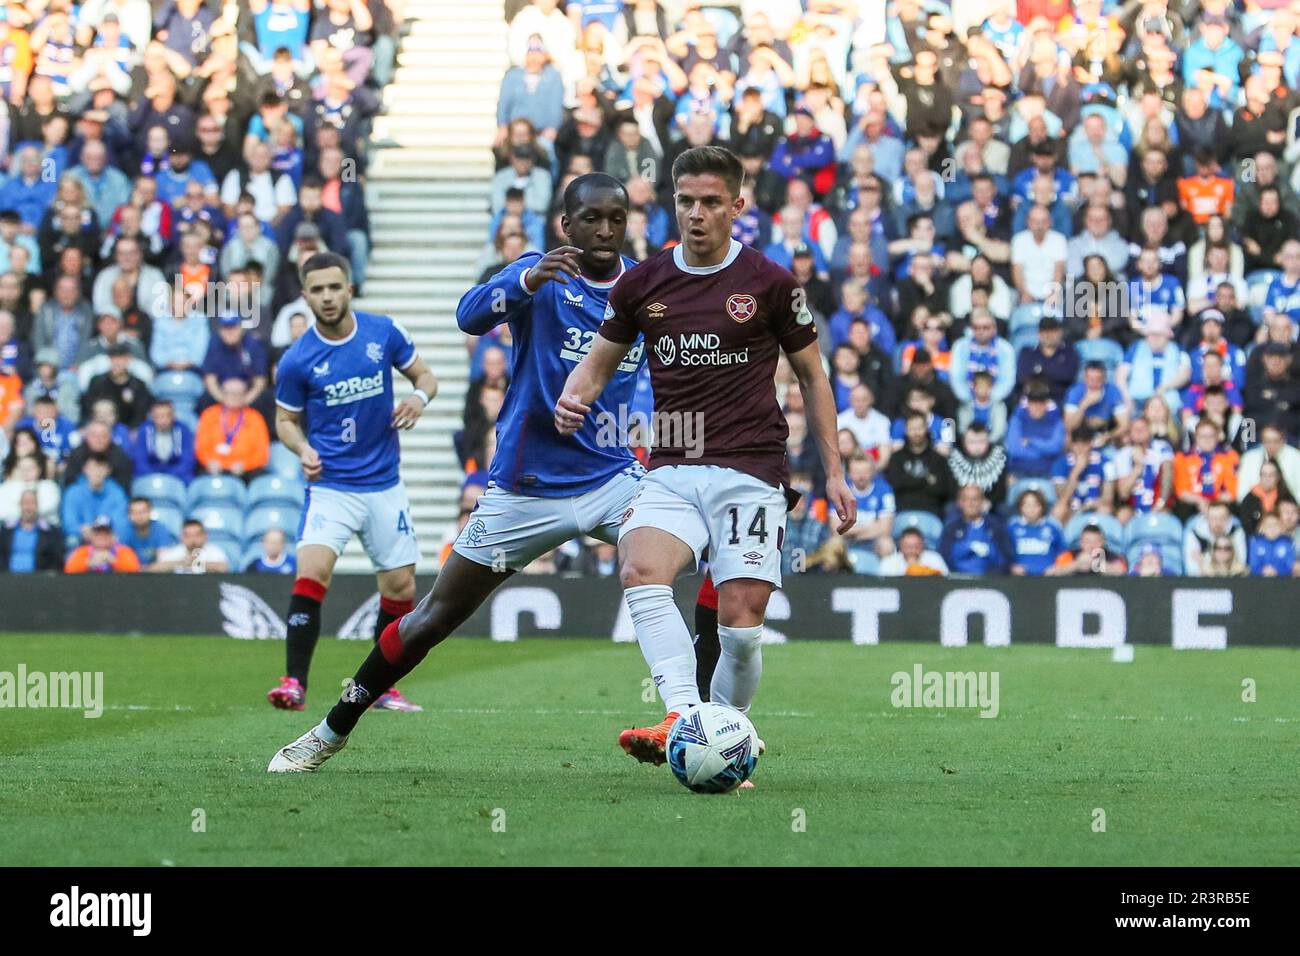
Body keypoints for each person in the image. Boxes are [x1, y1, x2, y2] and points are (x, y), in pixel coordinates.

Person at [267, 176, 685, 772]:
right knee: (431, 619)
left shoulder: (644, 287)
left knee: (694, 554)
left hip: (612, 479)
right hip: (524, 490)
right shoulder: (540, 274)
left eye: (616, 218)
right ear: (566, 226)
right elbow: (467, 316)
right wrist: (523, 280)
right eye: (590, 218)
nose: (605, 230)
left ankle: (695, 720)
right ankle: (330, 731)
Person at [555, 146, 854, 769]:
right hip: (672, 465)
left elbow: (813, 378)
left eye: (711, 202)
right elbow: (599, 362)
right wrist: (572, 397)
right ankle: (689, 720)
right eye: (686, 201)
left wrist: (834, 470)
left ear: (737, 207)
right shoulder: (643, 284)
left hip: (750, 471)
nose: (696, 214)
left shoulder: (771, 284)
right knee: (641, 572)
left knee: (741, 630)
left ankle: (728, 729)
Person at [263, 251, 439, 716]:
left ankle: (381, 686)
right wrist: (301, 449)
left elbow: (426, 375)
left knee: (401, 587)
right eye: (316, 290)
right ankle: (293, 683)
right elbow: (284, 420)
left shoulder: (382, 332)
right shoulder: (298, 359)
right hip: (332, 486)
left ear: (349, 288)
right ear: (305, 297)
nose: (326, 297)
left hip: (384, 484)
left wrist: (418, 398)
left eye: (333, 287)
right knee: (312, 572)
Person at [940, 484, 1013, 575]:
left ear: (982, 502)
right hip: (958, 580)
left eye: (975, 499)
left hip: (992, 581)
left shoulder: (997, 526)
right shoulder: (951, 527)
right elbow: (944, 558)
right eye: (966, 499)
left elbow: (1006, 558)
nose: (971, 503)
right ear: (959, 503)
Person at [0, 489, 63, 573]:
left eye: (32, 503)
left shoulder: (50, 532)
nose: (28, 507)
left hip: (38, 581)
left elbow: (56, 559)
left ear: (37, 506)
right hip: (8, 579)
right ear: (20, 505)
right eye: (25, 503)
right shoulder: (6, 531)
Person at [1007, 488, 1064, 576]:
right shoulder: (1011, 528)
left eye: (1035, 505)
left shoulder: (1053, 528)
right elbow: (1004, 555)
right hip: (1019, 581)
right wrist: (1011, 567)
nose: (1031, 509)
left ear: (1042, 507)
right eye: (1027, 505)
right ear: (1020, 507)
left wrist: (1057, 568)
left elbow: (1063, 553)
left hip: (1049, 580)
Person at [151, 519, 231, 574]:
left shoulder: (214, 552)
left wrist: (197, 564)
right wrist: (181, 563)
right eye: (188, 536)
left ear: (205, 536)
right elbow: (157, 569)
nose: (193, 539)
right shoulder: (174, 552)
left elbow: (223, 568)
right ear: (181, 537)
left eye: (197, 535)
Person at [64, 517, 141, 574]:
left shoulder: (123, 550)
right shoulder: (83, 551)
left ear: (113, 536)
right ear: (92, 536)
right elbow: (69, 569)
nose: (102, 537)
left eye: (106, 534)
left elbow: (134, 569)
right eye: (98, 534)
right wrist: (90, 562)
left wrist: (112, 560)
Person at [120, 496, 178, 569]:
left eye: (143, 512)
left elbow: (163, 562)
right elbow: (122, 561)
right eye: (134, 512)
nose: (139, 516)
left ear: (150, 512)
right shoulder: (124, 531)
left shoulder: (160, 529)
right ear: (129, 515)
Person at [878, 526, 947, 576]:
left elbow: (945, 580)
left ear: (922, 545)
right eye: (908, 547)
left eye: (916, 547)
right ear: (901, 546)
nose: (912, 551)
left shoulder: (934, 559)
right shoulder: (889, 562)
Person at [1248, 512, 1296, 577]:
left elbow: (1290, 565)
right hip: (1260, 580)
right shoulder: (1256, 542)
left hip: (1282, 580)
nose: (1272, 528)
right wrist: (1262, 570)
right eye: (1268, 525)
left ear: (1281, 527)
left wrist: (1277, 571)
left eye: (1275, 525)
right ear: (1261, 528)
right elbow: (1253, 565)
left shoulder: (1287, 542)